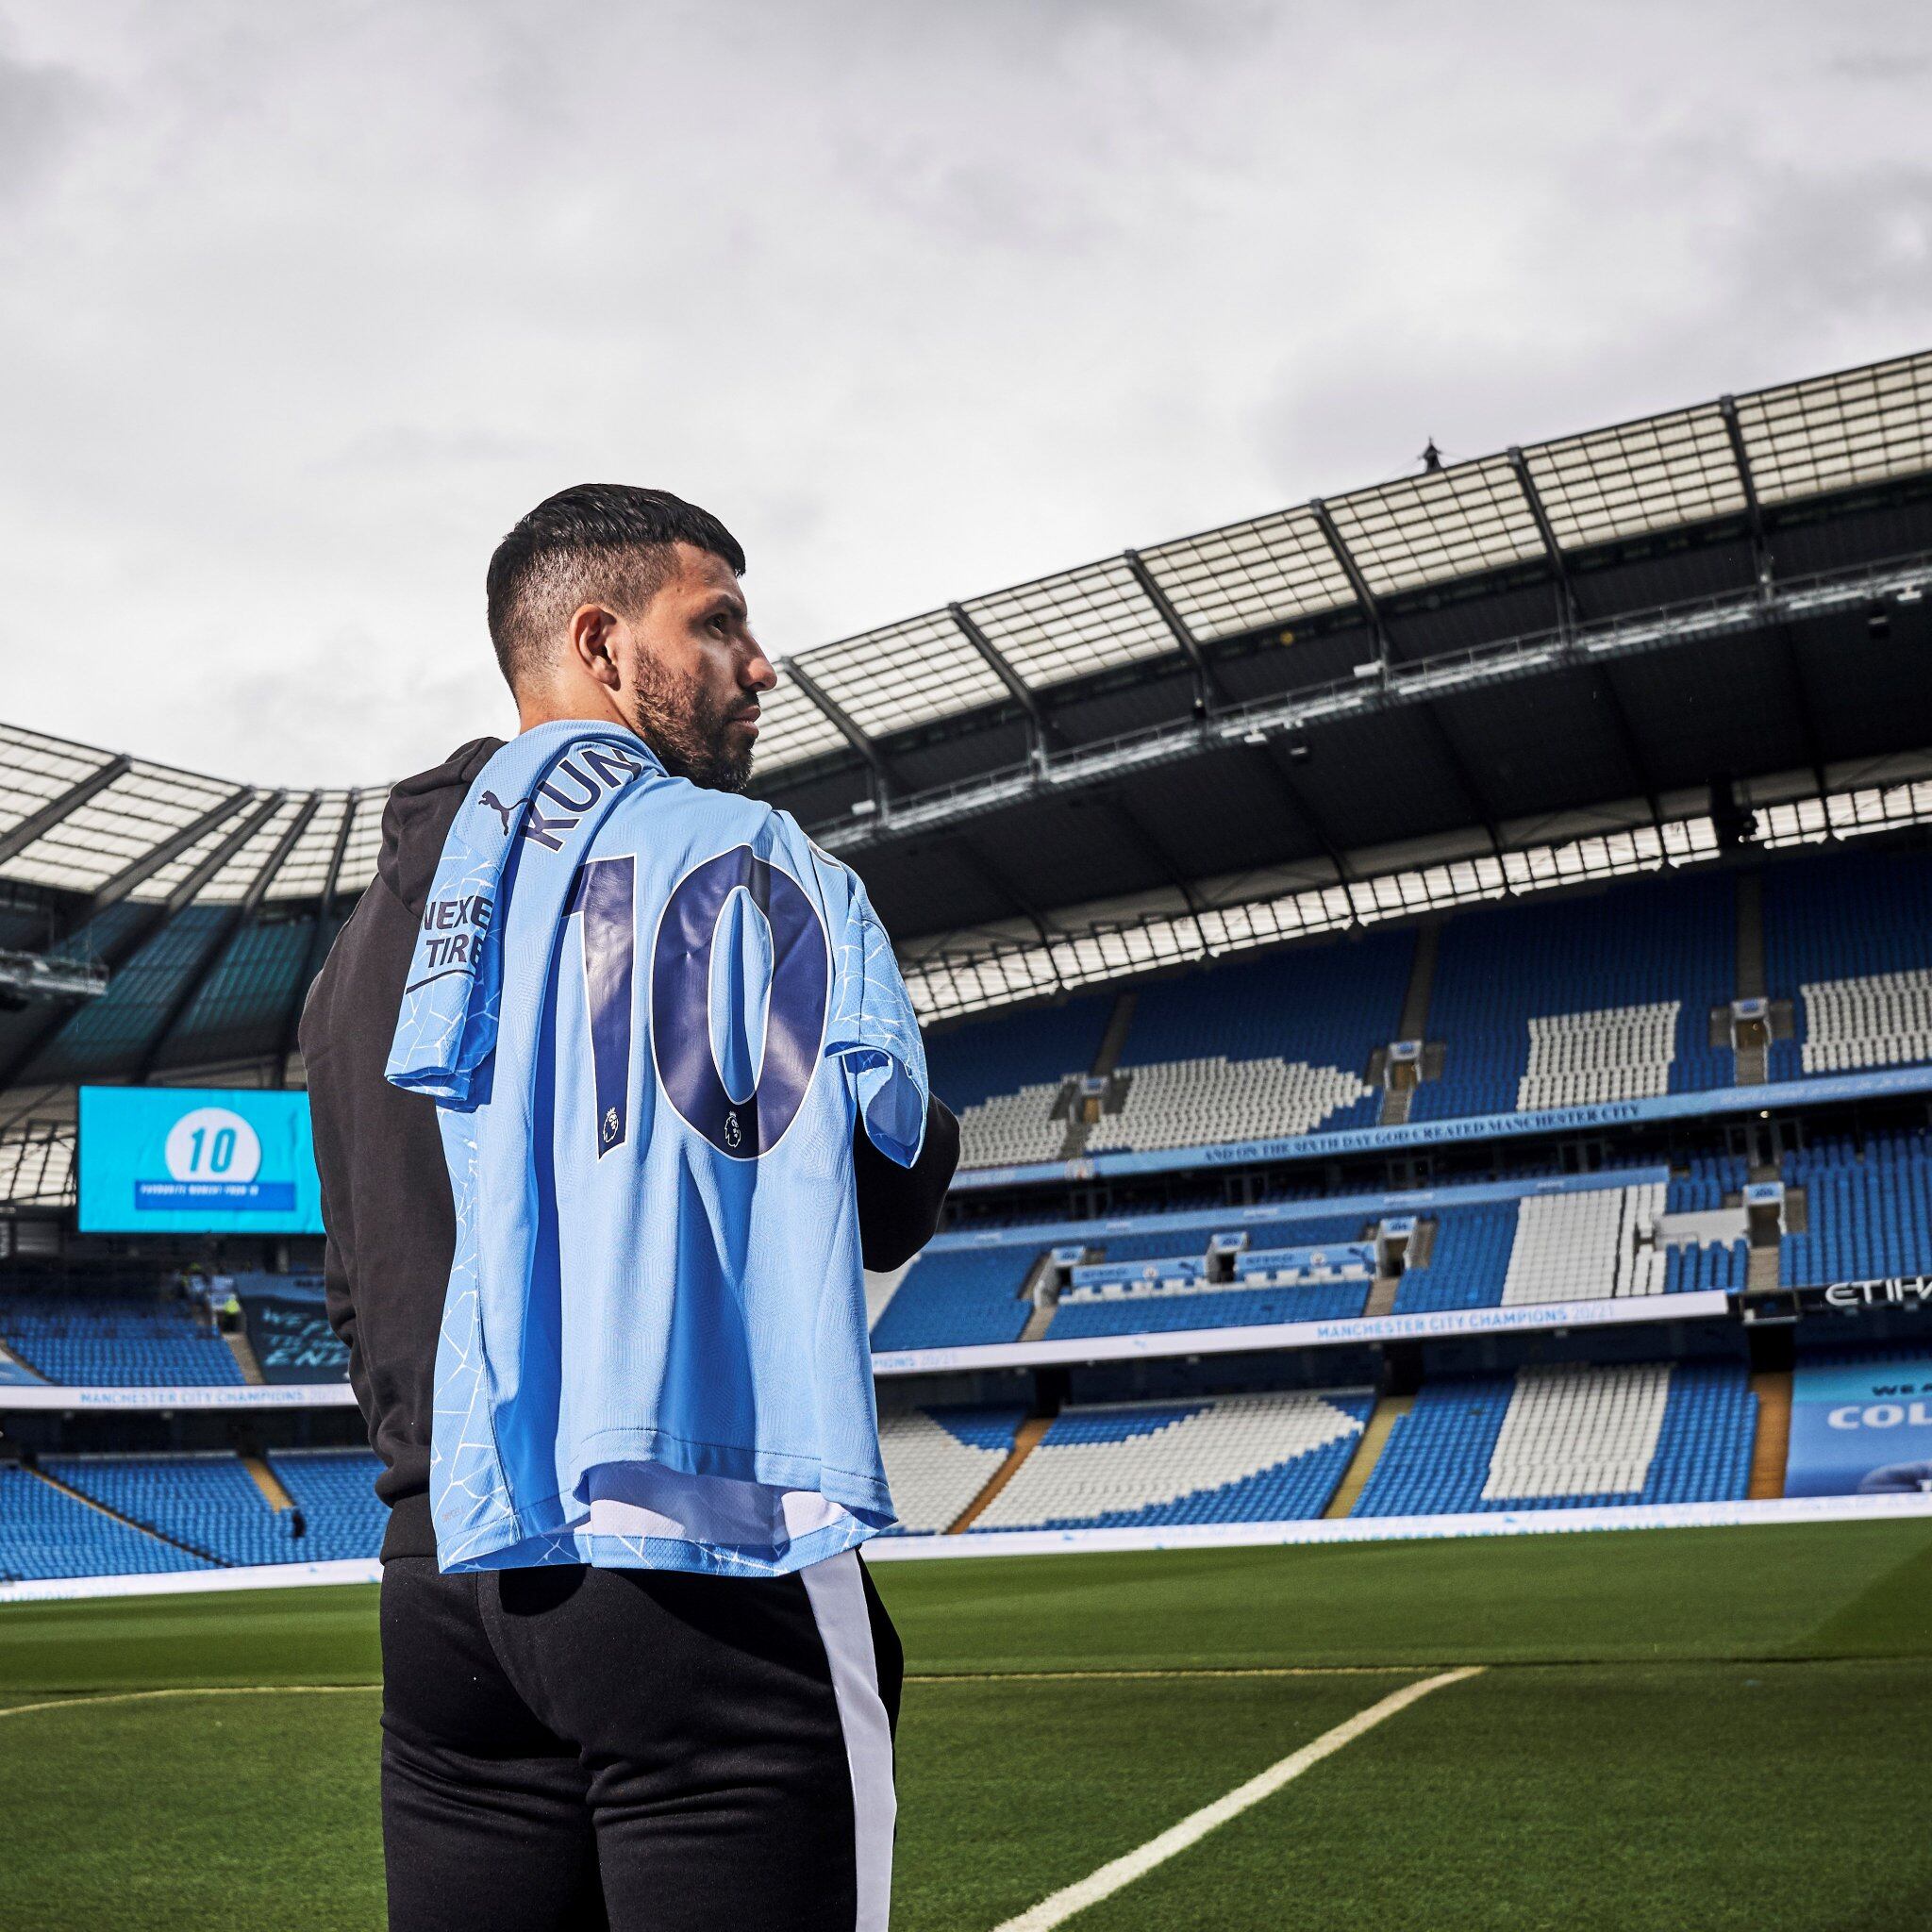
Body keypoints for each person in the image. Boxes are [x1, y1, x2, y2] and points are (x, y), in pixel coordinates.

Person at [301, 486, 958, 1932]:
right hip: (693, 1552)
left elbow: (356, 1278)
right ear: (602, 646)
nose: (761, 663)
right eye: (717, 621)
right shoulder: (757, 864)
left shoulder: (356, 957)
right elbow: (890, 1196)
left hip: (444, 1588)